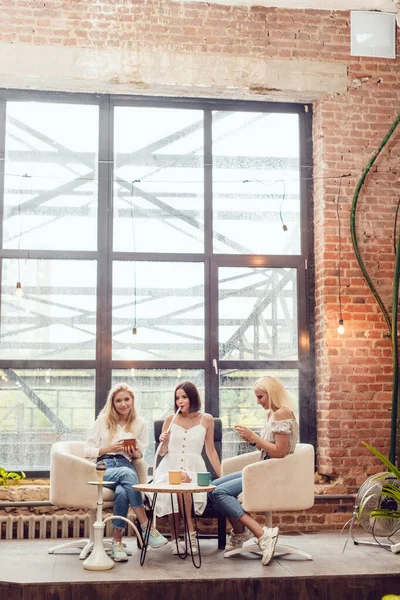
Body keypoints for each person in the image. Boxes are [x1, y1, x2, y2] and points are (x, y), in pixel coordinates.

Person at [210, 375, 298, 566]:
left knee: (219, 492)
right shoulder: (272, 414)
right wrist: (252, 440)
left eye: (260, 397)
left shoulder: (283, 413)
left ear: (272, 393)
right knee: (211, 488)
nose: (258, 402)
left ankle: (261, 533)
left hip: (273, 473)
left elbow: (280, 452)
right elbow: (268, 448)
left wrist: (255, 437)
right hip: (264, 468)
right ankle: (241, 531)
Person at [84, 383, 168, 562]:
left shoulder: (140, 424)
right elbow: (87, 450)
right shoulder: (103, 420)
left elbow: (140, 455)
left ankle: (117, 542)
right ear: (113, 403)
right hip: (105, 466)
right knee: (126, 474)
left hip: (126, 463)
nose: (123, 404)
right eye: (118, 400)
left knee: (122, 493)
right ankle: (146, 527)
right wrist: (109, 447)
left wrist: (133, 451)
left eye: (126, 399)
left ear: (132, 401)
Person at [152, 381, 221, 555]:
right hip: (169, 466)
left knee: (183, 483)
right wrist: (164, 442)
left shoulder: (206, 419)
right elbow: (162, 453)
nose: (180, 401)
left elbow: (210, 450)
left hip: (194, 469)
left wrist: (222, 476)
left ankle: (188, 533)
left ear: (192, 398)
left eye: (184, 397)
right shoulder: (170, 419)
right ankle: (178, 539)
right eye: (177, 398)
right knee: (175, 486)